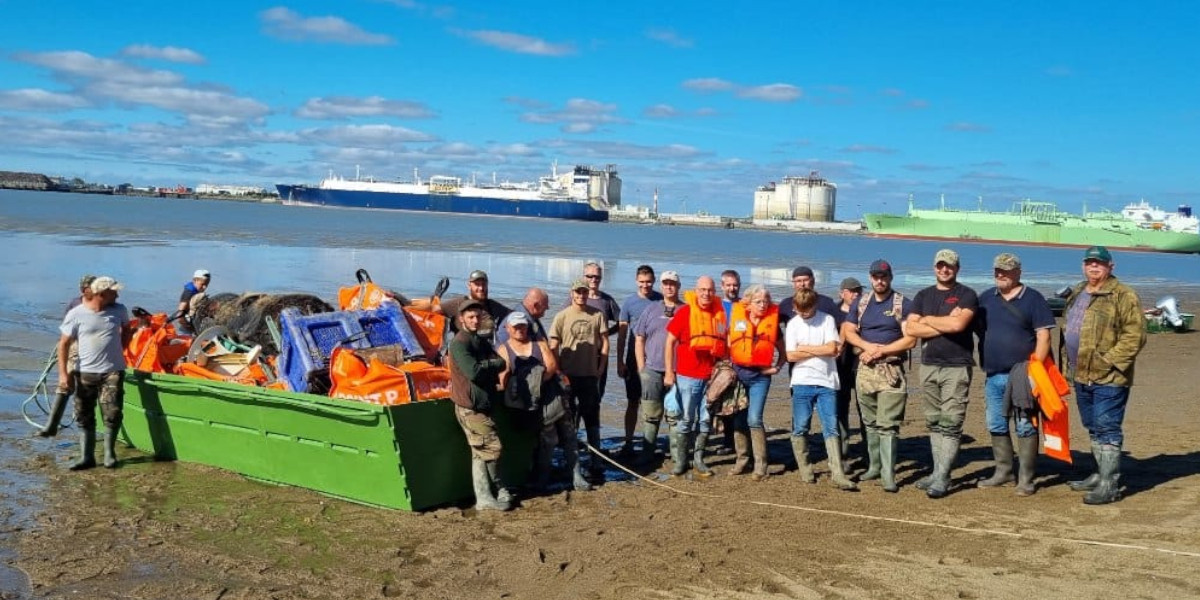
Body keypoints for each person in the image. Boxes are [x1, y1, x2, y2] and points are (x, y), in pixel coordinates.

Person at [1062, 246, 1145, 505]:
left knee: (1107, 428)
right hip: (1080, 374)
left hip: (1109, 377)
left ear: (1111, 266)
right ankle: (1099, 474)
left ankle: (1109, 484)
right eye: (1089, 263)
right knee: (1093, 426)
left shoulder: (1123, 295)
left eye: (1099, 263)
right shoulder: (1078, 291)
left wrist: (1108, 361)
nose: (1094, 267)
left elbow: (1135, 336)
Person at [975, 253, 1055, 496]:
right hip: (993, 374)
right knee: (996, 423)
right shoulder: (986, 298)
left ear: (1018, 273)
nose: (1001, 274)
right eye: (998, 270)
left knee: (1025, 425)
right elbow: (976, 328)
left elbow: (1044, 336)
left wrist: (1034, 370)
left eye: (1006, 271)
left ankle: (1026, 478)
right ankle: (1004, 471)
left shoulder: (1034, 299)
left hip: (1022, 374)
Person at [902, 249, 979, 499]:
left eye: (950, 266)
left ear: (957, 268)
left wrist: (927, 321)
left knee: (951, 423)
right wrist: (942, 321)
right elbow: (911, 329)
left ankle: (944, 476)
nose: (944, 270)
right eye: (940, 266)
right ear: (934, 267)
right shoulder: (923, 295)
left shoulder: (966, 294)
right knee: (934, 421)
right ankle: (937, 472)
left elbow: (958, 325)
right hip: (929, 365)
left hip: (957, 365)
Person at [841, 259, 915, 493]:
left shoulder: (903, 303)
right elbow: (848, 330)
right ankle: (874, 466)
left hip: (891, 370)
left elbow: (911, 338)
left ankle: (888, 474)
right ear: (870, 278)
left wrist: (880, 350)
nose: (879, 280)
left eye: (883, 277)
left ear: (890, 278)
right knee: (870, 422)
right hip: (865, 371)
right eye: (875, 277)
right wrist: (866, 346)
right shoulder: (861, 303)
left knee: (888, 425)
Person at [497, 312, 591, 492]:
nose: (520, 330)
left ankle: (577, 475)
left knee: (569, 434)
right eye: (516, 326)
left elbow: (551, 367)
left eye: (523, 326)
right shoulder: (503, 350)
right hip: (529, 402)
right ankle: (543, 475)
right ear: (507, 329)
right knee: (548, 439)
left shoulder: (539, 344)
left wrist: (536, 381)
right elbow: (504, 376)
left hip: (553, 395)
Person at [56, 276, 133, 470]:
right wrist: (63, 375)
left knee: (113, 412)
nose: (118, 294)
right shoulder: (76, 313)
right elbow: (63, 344)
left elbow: (127, 330)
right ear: (101, 293)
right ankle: (86, 457)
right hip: (84, 372)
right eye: (114, 291)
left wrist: (121, 349)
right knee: (83, 414)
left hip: (112, 370)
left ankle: (109, 454)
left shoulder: (120, 310)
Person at [786, 288, 857, 490]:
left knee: (831, 426)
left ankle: (837, 473)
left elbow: (832, 349)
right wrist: (818, 350)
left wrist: (805, 348)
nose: (804, 314)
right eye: (800, 311)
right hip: (801, 381)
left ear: (814, 305)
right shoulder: (793, 324)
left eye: (807, 310)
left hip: (826, 381)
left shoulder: (826, 320)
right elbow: (791, 356)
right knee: (801, 426)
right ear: (795, 307)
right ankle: (805, 470)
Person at [447, 299, 512, 511]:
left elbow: (502, 362)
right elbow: (473, 371)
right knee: (493, 448)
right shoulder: (459, 343)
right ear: (461, 319)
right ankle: (499, 490)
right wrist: (490, 365)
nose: (475, 320)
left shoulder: (479, 341)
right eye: (471, 317)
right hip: (470, 408)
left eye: (478, 317)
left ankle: (483, 497)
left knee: (479, 451)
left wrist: (489, 365)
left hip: (481, 405)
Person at [664, 275, 727, 478]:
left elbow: (724, 345)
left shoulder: (719, 314)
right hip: (687, 376)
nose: (706, 293)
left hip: (711, 377)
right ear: (696, 290)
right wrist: (668, 371)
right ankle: (682, 461)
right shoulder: (685, 312)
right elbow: (670, 342)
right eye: (702, 289)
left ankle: (699, 460)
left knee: (706, 420)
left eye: (710, 290)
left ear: (714, 292)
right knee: (686, 419)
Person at [549, 279, 608, 476]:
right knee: (568, 419)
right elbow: (553, 346)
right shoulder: (561, 316)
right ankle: (570, 460)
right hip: (568, 377)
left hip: (590, 376)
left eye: (584, 292)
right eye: (578, 292)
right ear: (572, 293)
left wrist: (601, 367)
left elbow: (605, 342)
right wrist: (558, 371)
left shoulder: (597, 315)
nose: (581, 295)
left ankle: (596, 459)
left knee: (592, 417)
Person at [726, 284, 785, 480]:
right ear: (748, 303)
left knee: (754, 419)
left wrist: (776, 368)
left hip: (760, 378)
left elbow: (783, 352)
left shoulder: (772, 324)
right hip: (739, 375)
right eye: (758, 301)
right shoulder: (737, 320)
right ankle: (742, 460)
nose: (762, 305)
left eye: (765, 301)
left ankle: (761, 465)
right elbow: (728, 344)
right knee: (739, 419)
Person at [633, 270, 684, 464]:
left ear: (678, 286)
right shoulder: (651, 309)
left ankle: (678, 456)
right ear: (661, 286)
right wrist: (641, 368)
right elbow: (639, 339)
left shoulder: (686, 310)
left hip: (678, 372)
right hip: (652, 370)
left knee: (675, 415)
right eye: (665, 283)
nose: (669, 287)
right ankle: (647, 454)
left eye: (672, 283)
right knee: (651, 415)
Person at [35, 274, 96, 438]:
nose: (98, 290)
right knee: (66, 382)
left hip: (97, 349)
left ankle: (86, 426)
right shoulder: (74, 304)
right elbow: (66, 331)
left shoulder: (106, 303)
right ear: (84, 290)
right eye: (93, 286)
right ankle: (52, 424)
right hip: (75, 346)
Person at [616, 265, 663, 458]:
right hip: (632, 359)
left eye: (649, 281)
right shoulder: (629, 303)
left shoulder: (661, 300)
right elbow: (621, 334)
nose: (646, 285)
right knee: (632, 401)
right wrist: (619, 361)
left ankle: (649, 442)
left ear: (654, 281)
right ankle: (628, 441)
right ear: (636, 281)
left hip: (655, 360)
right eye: (642, 282)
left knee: (653, 402)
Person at [834, 277, 864, 463]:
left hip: (861, 367)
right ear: (842, 293)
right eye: (851, 291)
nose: (855, 295)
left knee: (865, 411)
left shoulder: (867, 311)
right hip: (839, 369)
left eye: (858, 291)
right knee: (840, 411)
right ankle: (843, 451)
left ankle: (868, 451)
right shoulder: (833, 313)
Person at [580, 261, 621, 399]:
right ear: (584, 277)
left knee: (596, 395)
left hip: (599, 355)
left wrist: (607, 334)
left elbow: (621, 322)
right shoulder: (574, 298)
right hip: (578, 354)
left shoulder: (607, 300)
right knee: (576, 395)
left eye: (597, 277)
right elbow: (562, 322)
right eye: (590, 276)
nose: (593, 280)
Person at [440, 270, 511, 344]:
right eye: (477, 284)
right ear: (469, 285)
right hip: (462, 349)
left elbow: (515, 315)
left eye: (484, 284)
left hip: (487, 350)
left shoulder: (493, 306)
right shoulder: (457, 304)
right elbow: (432, 310)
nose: (481, 288)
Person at [715, 269, 742, 454]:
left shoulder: (745, 305)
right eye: (728, 285)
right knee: (721, 401)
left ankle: (735, 441)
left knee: (738, 403)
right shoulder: (716, 306)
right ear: (722, 286)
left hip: (741, 360)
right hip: (720, 360)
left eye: (735, 285)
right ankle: (726, 440)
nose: (732, 288)